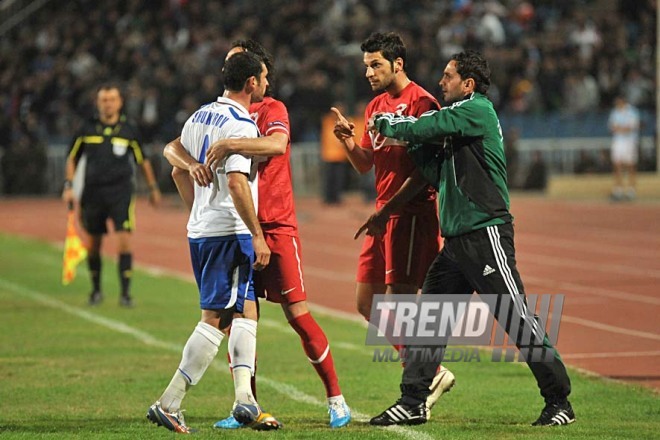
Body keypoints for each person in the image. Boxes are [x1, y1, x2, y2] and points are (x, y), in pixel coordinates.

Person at [367, 50, 574, 427]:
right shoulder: (455, 127)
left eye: (448, 76)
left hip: (486, 233)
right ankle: (413, 400)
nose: (441, 81)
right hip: (457, 241)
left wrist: (391, 125)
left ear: (468, 84)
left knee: (515, 316)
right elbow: (434, 171)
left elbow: (426, 125)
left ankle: (559, 401)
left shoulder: (476, 109)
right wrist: (411, 144)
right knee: (429, 319)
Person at [164, 39, 351, 429]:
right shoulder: (222, 113)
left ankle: (336, 399)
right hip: (235, 228)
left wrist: (230, 144)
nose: (229, 65)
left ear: (254, 72)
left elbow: (278, 145)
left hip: (273, 225)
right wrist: (193, 162)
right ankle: (247, 404)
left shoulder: (271, 109)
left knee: (297, 314)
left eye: (237, 60)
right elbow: (172, 151)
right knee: (240, 316)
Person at [148, 51, 276, 434]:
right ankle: (169, 402)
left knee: (245, 310)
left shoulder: (200, 115)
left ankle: (245, 400)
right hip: (229, 230)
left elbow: (174, 164)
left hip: (202, 230)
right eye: (264, 77)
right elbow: (237, 182)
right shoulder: (241, 125)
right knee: (215, 318)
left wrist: (197, 204)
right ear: (251, 82)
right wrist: (256, 234)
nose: (267, 83)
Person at [331, 31, 455, 416]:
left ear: (397, 64)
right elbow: (368, 162)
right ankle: (430, 372)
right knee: (367, 302)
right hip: (383, 213)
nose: (368, 72)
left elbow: (424, 172)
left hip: (412, 212)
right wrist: (348, 143)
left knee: (399, 301)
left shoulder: (423, 102)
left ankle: (414, 393)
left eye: (376, 64)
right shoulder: (374, 107)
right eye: (366, 65)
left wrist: (387, 211)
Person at [62, 83, 161, 307]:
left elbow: (142, 160)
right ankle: (96, 290)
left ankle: (125, 294)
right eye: (104, 100)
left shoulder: (129, 130)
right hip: (92, 194)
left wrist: (153, 188)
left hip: (121, 193)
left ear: (120, 102)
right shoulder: (86, 128)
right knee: (93, 244)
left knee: (124, 241)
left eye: (112, 99)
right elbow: (72, 158)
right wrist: (68, 185)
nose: (108, 104)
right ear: (98, 103)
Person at [608, 95, 640, 201]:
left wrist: (620, 129)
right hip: (618, 141)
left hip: (629, 141)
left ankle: (631, 190)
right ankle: (618, 190)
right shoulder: (614, 112)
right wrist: (622, 129)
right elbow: (612, 127)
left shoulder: (632, 112)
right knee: (617, 165)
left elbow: (631, 128)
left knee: (630, 165)